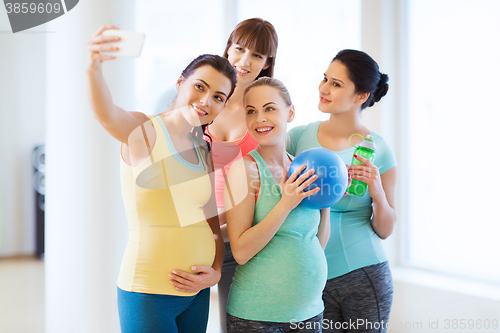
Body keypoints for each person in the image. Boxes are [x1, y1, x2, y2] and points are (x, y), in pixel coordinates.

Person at [86, 25, 237, 333]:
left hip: (197, 292)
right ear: (181, 82)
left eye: (218, 97)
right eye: (200, 86)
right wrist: (93, 67)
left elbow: (210, 222)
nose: (206, 100)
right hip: (148, 290)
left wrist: (216, 271)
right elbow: (106, 114)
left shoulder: (203, 148)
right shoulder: (146, 130)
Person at [287, 49, 397, 333]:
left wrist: (377, 192)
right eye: (325, 79)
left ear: (361, 96)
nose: (323, 89)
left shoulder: (379, 149)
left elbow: (385, 229)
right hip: (309, 276)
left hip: (363, 274)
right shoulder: (297, 138)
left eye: (336, 84)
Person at [224, 77, 330, 333]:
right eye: (252, 111)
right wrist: (285, 204)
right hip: (258, 317)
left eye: (269, 108)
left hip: (310, 313)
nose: (260, 118)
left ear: (290, 112)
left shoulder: (303, 166)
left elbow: (315, 241)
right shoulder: (245, 170)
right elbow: (240, 251)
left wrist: (326, 202)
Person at [205, 18, 278, 333]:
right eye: (239, 49)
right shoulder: (204, 99)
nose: (244, 61)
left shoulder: (265, 110)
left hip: (242, 237)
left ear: (266, 64)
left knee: (235, 325)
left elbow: (277, 168)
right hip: (198, 230)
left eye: (257, 56)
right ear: (228, 48)